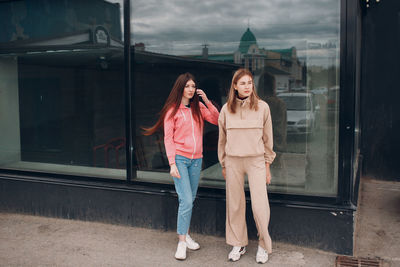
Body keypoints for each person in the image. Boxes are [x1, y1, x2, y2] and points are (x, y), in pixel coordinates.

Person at [143, 73, 219, 260]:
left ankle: (186, 234)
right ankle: (182, 242)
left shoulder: (198, 107)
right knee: (186, 200)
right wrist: (171, 164)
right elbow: (168, 139)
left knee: (190, 199)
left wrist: (207, 101)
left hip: (196, 160)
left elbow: (217, 120)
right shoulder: (172, 110)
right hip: (180, 160)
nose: (191, 89)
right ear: (180, 88)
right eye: (187, 86)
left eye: (193, 86)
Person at [218, 68, 276, 264]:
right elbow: (222, 140)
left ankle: (263, 244)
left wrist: (267, 165)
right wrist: (224, 164)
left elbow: (268, 139)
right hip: (233, 161)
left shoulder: (263, 107)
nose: (247, 87)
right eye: (242, 83)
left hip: (256, 161)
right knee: (235, 204)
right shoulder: (226, 109)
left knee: (260, 205)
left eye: (250, 83)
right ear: (234, 86)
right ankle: (238, 243)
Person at [258, 71, 288, 190]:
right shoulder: (278, 103)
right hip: (275, 147)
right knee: (279, 180)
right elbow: (281, 129)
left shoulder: (255, 103)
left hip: (257, 149)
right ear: (273, 85)